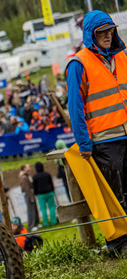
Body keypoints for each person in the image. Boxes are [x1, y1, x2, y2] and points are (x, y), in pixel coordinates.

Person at [67, 10, 127, 253]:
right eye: (102, 32)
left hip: (125, 134)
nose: (108, 36)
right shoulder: (78, 64)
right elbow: (75, 107)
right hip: (104, 140)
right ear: (90, 35)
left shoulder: (122, 56)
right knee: (114, 194)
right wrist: (84, 143)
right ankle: (118, 243)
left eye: (110, 31)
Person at [32, 161, 58, 227]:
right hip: (49, 193)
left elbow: (34, 186)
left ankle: (46, 223)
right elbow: (51, 183)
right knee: (52, 207)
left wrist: (35, 193)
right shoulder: (47, 174)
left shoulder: (35, 177)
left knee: (43, 209)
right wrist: (52, 190)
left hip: (41, 195)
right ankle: (54, 221)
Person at [20, 164, 39, 231]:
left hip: (31, 195)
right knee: (31, 211)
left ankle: (36, 224)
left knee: (34, 210)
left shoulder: (27, 176)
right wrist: (31, 197)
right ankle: (31, 226)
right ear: (24, 168)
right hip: (29, 196)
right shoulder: (23, 177)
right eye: (28, 167)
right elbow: (26, 188)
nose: (29, 168)